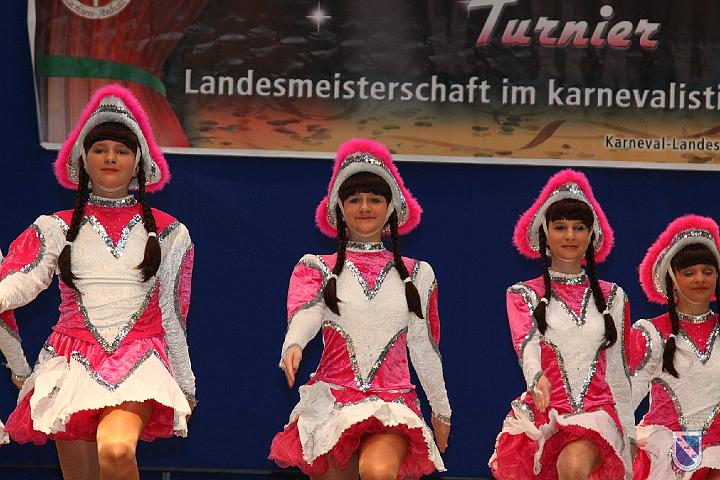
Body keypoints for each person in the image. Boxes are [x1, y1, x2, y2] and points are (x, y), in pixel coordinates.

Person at [0, 85, 195, 480]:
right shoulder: (53, 228)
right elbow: (22, 281)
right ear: (82, 161)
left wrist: (185, 382)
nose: (110, 157)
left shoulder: (171, 233)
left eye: (122, 150)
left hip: (139, 361)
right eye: (100, 148)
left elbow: (173, 314)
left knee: (117, 448)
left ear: (138, 163)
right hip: (70, 364)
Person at [268, 138, 451, 480]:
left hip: (391, 405)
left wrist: (441, 410)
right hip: (333, 404)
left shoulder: (418, 273)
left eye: (374, 199)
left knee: (377, 471)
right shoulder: (316, 266)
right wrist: (294, 345)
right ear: (339, 208)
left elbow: (424, 346)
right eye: (354, 199)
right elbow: (307, 313)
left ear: (391, 207)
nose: (364, 207)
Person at [489, 169, 633, 480]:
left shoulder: (613, 296)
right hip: (545, 417)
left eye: (579, 227)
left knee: (573, 466)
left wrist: (629, 436)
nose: (570, 236)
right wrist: (536, 378)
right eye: (560, 227)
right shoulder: (523, 293)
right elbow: (526, 346)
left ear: (591, 235)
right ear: (545, 234)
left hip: (597, 415)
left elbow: (619, 370)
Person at [630, 215, 720, 478]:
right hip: (669, 452)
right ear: (672, 279)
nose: (700, 279)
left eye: (708, 272)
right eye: (689, 273)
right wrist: (619, 435)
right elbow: (628, 393)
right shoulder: (651, 332)